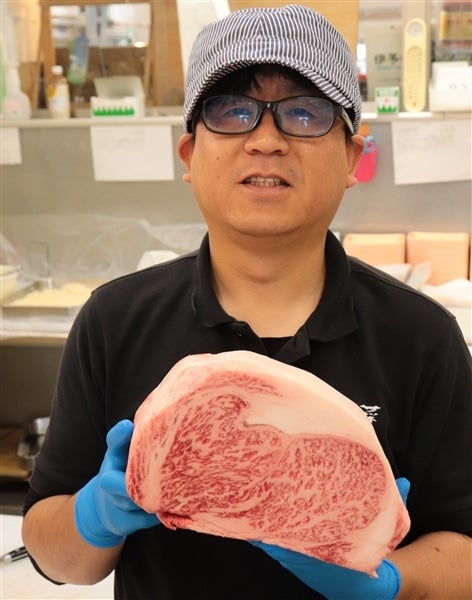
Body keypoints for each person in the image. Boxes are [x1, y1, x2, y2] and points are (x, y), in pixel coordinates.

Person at [22, 5, 471, 599]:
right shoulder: (114, 320)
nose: (265, 140)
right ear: (189, 156)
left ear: (351, 158)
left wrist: (391, 585)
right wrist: (94, 516)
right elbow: (53, 554)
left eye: (304, 113)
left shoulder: (422, 336)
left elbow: (464, 548)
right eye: (231, 111)